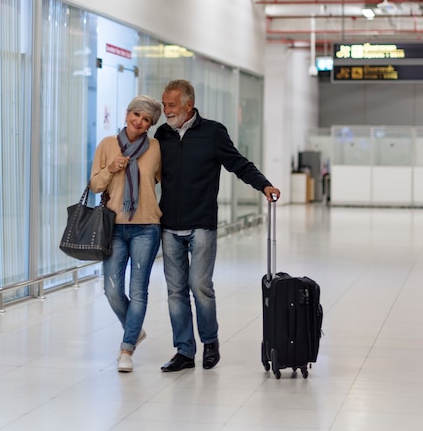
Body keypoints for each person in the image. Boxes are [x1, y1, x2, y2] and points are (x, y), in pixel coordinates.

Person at [155, 79, 281, 372]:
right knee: (175, 291)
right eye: (163, 105)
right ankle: (185, 351)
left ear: (189, 104)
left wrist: (264, 185)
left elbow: (238, 163)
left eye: (171, 105)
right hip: (169, 225)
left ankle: (210, 342)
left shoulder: (212, 132)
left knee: (200, 286)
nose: (166, 110)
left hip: (201, 222)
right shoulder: (161, 134)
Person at [89, 95, 163, 373]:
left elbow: (168, 181)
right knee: (111, 289)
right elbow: (95, 185)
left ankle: (126, 348)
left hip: (147, 227)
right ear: (127, 114)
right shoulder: (107, 145)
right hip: (114, 227)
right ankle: (134, 328)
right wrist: (111, 168)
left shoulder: (155, 148)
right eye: (137, 115)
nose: (139, 122)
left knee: (138, 290)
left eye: (146, 120)